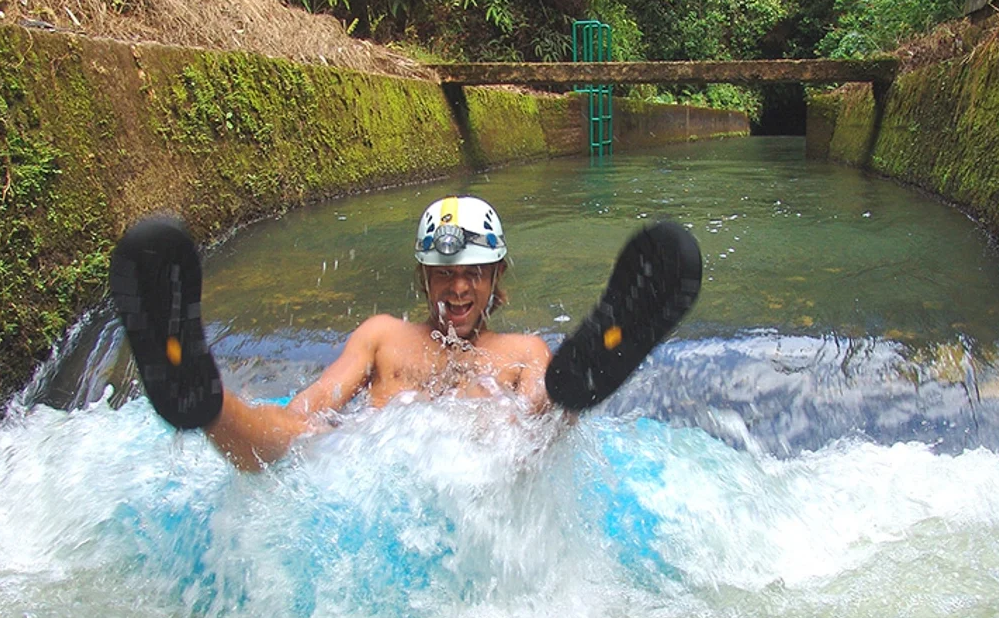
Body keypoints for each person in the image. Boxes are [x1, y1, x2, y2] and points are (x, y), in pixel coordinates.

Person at [110, 195, 703, 471]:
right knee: (293, 436)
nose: (458, 289)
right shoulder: (382, 336)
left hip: (490, 476)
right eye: (443, 274)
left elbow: (532, 445)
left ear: (496, 277)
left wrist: (552, 402)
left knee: (542, 421)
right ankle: (201, 398)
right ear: (424, 278)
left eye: (472, 274)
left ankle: (589, 375)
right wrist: (297, 420)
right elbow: (311, 407)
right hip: (369, 474)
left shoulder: (523, 352)